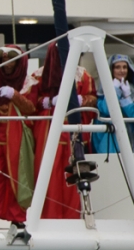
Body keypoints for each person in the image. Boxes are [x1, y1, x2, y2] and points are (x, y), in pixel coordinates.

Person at [23, 43, 97, 220]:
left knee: (73, 171)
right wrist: (48, 102)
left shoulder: (83, 75)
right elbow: (33, 102)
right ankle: (47, 216)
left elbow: (93, 98)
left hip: (73, 131)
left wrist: (82, 99)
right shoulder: (39, 75)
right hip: (48, 132)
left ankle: (72, 216)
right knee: (47, 173)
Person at [0, 45, 35, 228]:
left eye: (11, 60)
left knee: (17, 175)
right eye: (4, 60)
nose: (7, 64)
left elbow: (31, 107)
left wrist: (14, 95)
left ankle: (17, 217)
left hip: (17, 137)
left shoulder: (28, 82)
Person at [91, 54, 134, 153]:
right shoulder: (103, 90)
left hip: (128, 136)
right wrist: (114, 89)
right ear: (111, 70)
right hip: (107, 138)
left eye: (124, 67)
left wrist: (126, 96)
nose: (122, 71)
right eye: (117, 67)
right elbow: (107, 109)